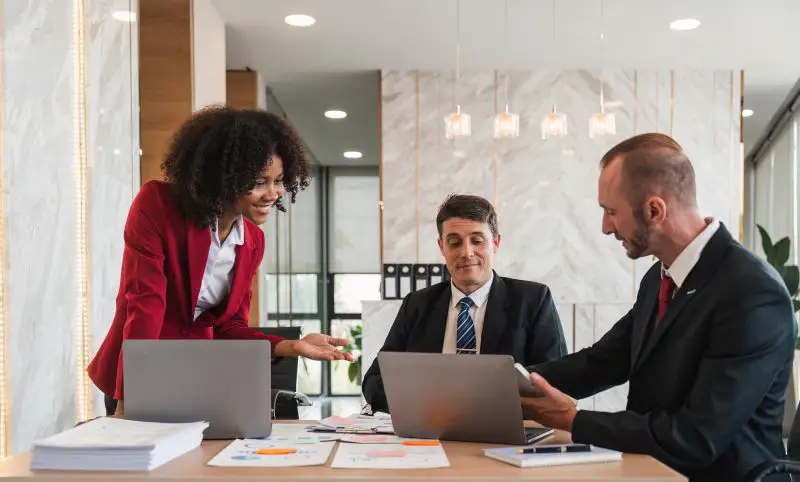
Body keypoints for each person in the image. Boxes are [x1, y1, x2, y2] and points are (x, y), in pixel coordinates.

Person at [520, 133, 796, 482]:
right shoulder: (658, 278)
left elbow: (696, 437)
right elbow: (602, 361)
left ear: (654, 210)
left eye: (610, 212)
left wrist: (573, 419)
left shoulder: (752, 293)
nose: (605, 227)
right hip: (652, 471)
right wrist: (511, 384)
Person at [88, 105, 354, 418]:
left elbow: (229, 328)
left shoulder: (252, 241)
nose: (273, 193)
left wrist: (291, 346)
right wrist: (128, 402)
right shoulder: (156, 206)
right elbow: (145, 306)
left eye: (279, 180)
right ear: (224, 176)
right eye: (259, 181)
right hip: (140, 378)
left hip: (200, 378)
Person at [362, 194, 568, 413]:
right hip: (429, 430)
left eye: (477, 241)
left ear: (495, 243)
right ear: (442, 248)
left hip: (505, 432)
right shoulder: (417, 304)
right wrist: (423, 404)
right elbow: (375, 380)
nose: (466, 253)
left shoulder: (533, 300)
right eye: (454, 242)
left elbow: (555, 381)